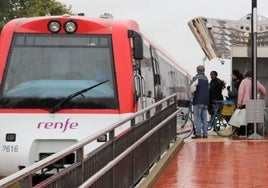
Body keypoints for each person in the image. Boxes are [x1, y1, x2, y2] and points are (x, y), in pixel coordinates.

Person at [236, 69, 266, 136]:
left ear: (245, 75)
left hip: (245, 103)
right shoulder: (256, 82)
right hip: (254, 103)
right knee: (250, 119)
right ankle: (248, 133)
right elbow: (264, 91)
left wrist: (239, 104)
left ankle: (242, 134)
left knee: (243, 119)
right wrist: (260, 98)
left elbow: (241, 93)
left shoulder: (244, 81)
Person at [190, 65, 209, 139]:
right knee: (204, 118)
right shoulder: (206, 79)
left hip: (198, 100)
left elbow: (192, 88)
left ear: (197, 70)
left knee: (197, 117)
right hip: (205, 101)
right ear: (204, 70)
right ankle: (205, 134)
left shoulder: (196, 78)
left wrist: (192, 96)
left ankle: (198, 134)